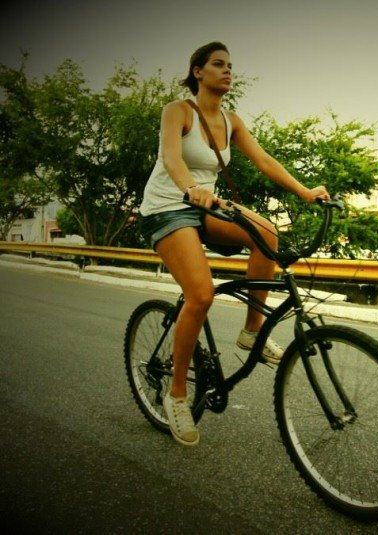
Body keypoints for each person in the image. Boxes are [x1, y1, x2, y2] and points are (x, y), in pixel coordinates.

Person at [139, 42, 330, 446]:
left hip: (207, 206)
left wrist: (305, 192)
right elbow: (171, 158)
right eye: (218, 64)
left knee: (267, 235)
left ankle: (250, 332)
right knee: (202, 293)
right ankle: (176, 396)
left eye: (230, 65)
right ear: (197, 71)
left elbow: (265, 161)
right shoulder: (178, 111)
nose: (227, 71)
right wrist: (191, 188)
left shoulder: (231, 120)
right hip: (168, 208)